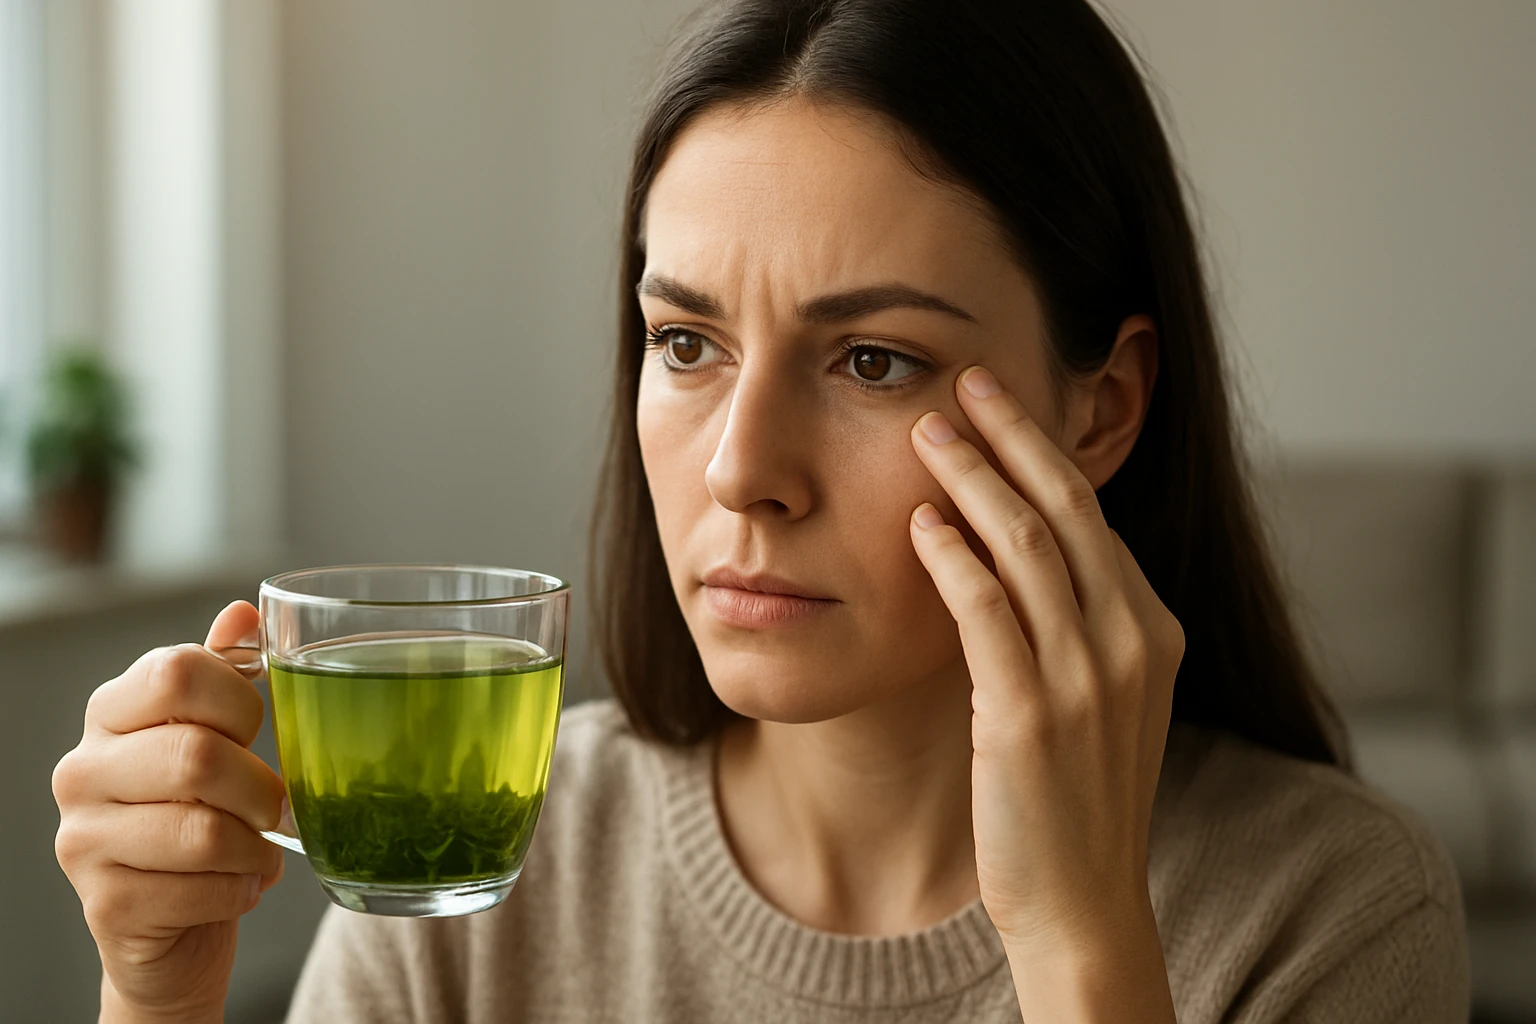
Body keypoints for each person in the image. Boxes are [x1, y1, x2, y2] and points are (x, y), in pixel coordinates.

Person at [52, 0, 1471, 1020]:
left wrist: (1081, 940)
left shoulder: (1330, 913)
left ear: (1099, 409)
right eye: (687, 343)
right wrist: (155, 998)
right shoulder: (479, 853)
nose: (742, 470)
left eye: (873, 360)